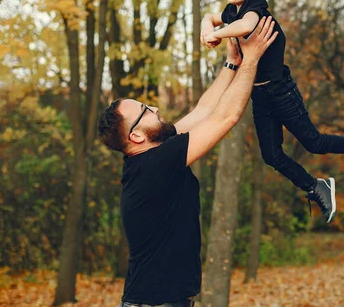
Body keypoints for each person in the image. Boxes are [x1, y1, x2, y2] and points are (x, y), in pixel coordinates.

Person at [200, 0, 344, 224]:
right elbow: (211, 16)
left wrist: (217, 34)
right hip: (259, 95)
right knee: (271, 155)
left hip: (281, 91)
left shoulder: (255, 8)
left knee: (313, 142)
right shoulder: (232, 10)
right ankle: (316, 186)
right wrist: (206, 27)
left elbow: (246, 26)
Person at [97, 17, 278, 307]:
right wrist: (252, 59)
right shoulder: (156, 164)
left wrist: (232, 64)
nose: (155, 107)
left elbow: (204, 110)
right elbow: (226, 117)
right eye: (146, 111)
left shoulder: (154, 154)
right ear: (137, 135)